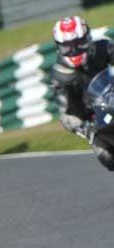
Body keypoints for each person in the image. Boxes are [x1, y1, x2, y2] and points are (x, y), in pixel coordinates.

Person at [50, 15, 114, 169]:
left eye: (79, 43)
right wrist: (83, 128)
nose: (74, 50)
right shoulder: (59, 75)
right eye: (68, 46)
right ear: (59, 47)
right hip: (95, 120)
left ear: (88, 38)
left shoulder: (104, 48)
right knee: (106, 157)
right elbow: (66, 113)